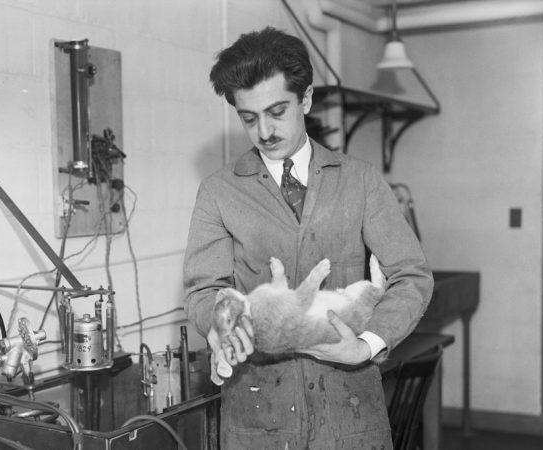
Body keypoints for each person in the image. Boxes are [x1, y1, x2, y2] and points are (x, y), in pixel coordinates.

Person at [183, 27, 433, 450]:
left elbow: (412, 276)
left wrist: (367, 345)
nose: (264, 131)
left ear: (306, 99)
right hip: (258, 413)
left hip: (350, 411)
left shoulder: (360, 181)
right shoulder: (219, 191)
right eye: (249, 118)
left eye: (277, 111)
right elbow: (204, 290)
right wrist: (220, 324)